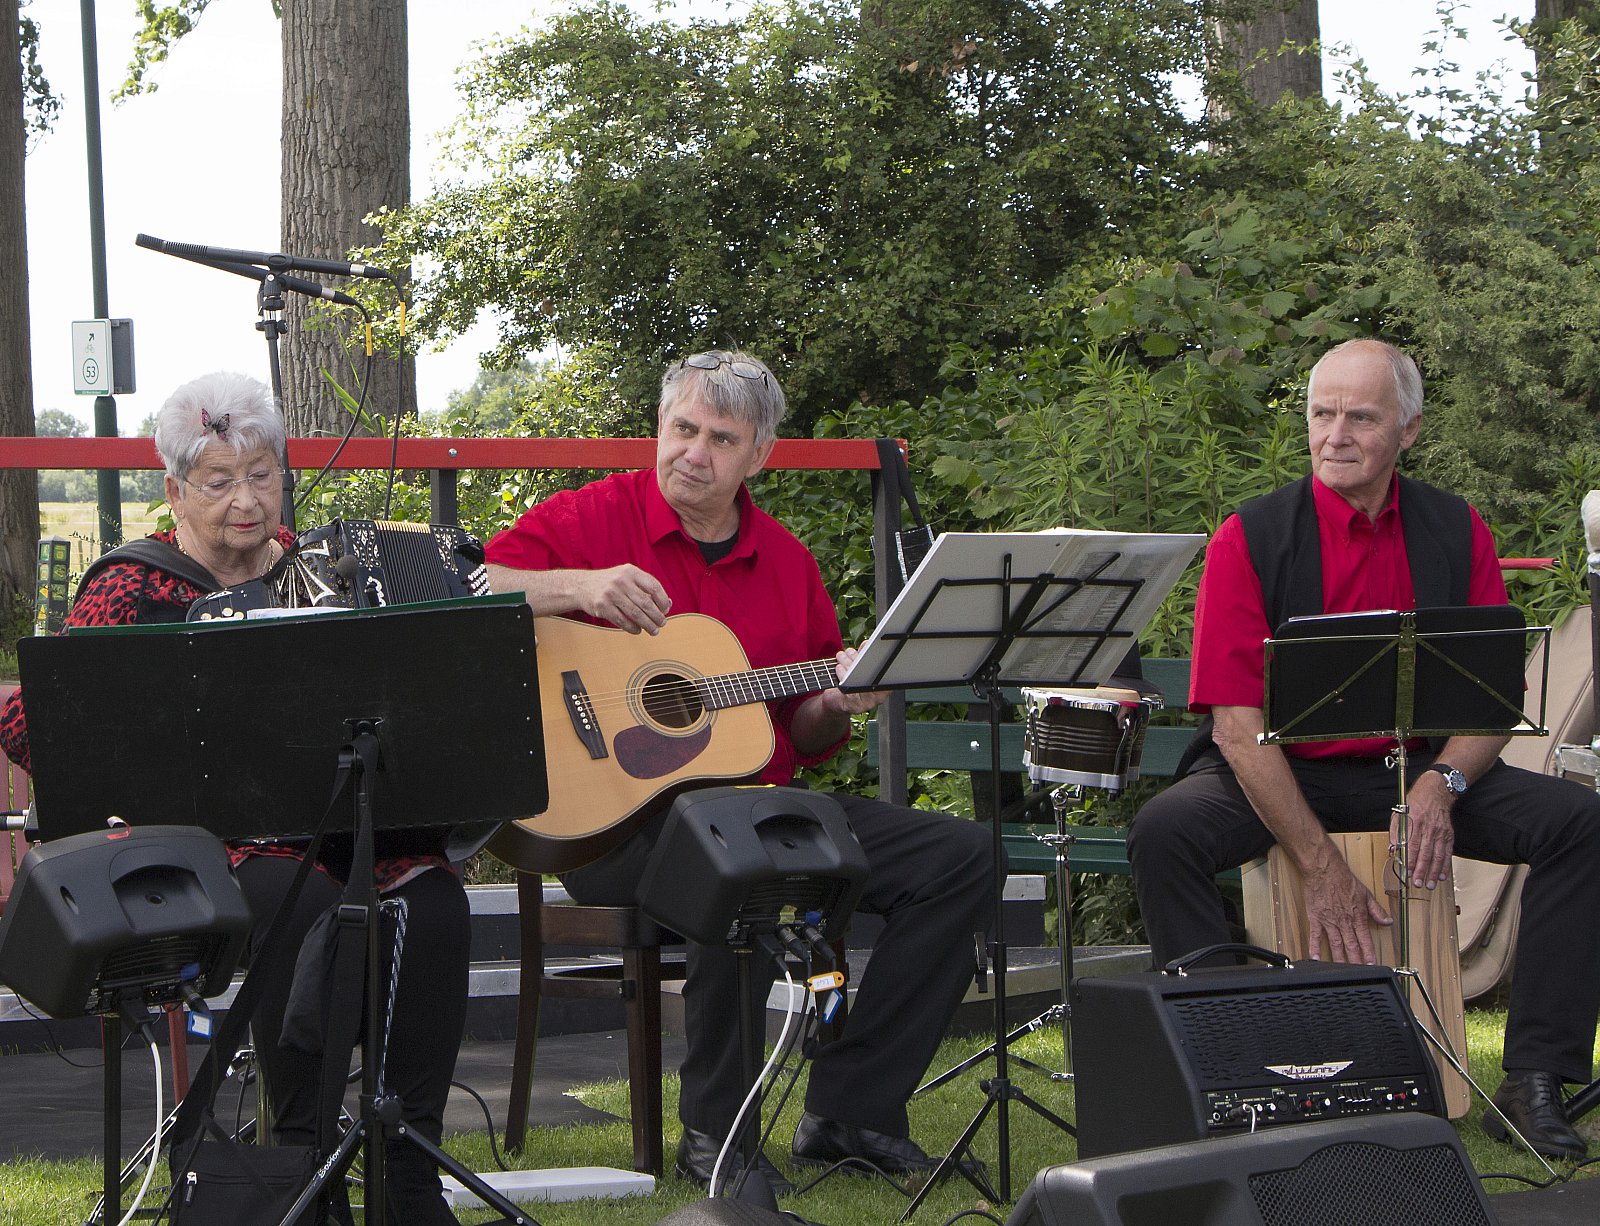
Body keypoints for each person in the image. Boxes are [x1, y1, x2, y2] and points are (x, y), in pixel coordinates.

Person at [483, 349, 997, 1194]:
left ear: (758, 455)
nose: (694, 451)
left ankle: (853, 1110)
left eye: (720, 438)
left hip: (761, 810)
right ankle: (719, 1138)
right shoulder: (589, 520)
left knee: (961, 858)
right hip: (609, 825)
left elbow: (799, 726)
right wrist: (576, 584)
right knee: (740, 860)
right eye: (682, 428)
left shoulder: (787, 562)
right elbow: (463, 585)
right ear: (659, 427)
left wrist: (836, 703)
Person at [0, 372, 469, 1224]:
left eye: (262, 474)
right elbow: (44, 722)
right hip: (197, 849)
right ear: (175, 490)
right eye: (219, 482)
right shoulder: (130, 587)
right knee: (310, 903)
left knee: (433, 899)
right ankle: (302, 1154)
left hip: (326, 824)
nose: (246, 501)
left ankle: (406, 1165)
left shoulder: (316, 573)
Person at [1125, 338, 1600, 1161]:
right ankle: (1231, 1073)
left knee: (1580, 824)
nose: (1335, 434)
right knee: (1165, 833)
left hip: (1412, 773)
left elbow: (1493, 700)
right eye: (1321, 413)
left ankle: (1532, 1082)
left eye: (1361, 416)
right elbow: (1236, 727)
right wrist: (1319, 863)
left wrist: (1444, 783)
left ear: (1409, 431)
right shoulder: (1250, 536)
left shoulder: (1456, 528)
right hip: (1279, 770)